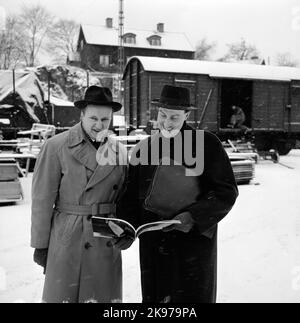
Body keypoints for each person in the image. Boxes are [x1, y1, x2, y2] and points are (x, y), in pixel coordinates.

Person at [120, 85, 239, 303]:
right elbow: (131, 195)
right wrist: (126, 227)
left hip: (191, 244)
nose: (167, 123)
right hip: (153, 244)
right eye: (162, 115)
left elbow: (225, 192)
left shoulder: (206, 144)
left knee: (190, 299)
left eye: (174, 117)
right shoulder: (144, 147)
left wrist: (192, 217)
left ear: (186, 115)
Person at [31, 86, 129, 303]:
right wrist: (41, 244)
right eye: (93, 117)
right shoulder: (56, 146)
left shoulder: (119, 151)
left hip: (105, 238)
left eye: (105, 119)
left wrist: (126, 228)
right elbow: (42, 200)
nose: (99, 125)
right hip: (68, 237)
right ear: (82, 114)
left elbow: (125, 197)